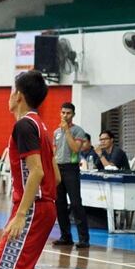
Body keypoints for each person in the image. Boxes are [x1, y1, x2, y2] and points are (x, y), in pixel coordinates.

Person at [0, 70, 59, 269]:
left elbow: (37, 172)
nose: (8, 96)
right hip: (41, 207)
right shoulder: (42, 127)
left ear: (18, 95)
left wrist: (21, 215)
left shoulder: (24, 126)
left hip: (33, 209)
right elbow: (55, 176)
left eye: (11, 91)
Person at [52, 102, 90, 249]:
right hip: (58, 168)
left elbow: (75, 148)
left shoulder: (78, 131)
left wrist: (67, 131)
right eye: (62, 113)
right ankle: (65, 236)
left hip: (71, 169)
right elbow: (54, 153)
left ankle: (84, 239)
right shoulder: (56, 132)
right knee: (59, 204)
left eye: (68, 113)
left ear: (73, 114)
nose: (65, 115)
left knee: (75, 203)